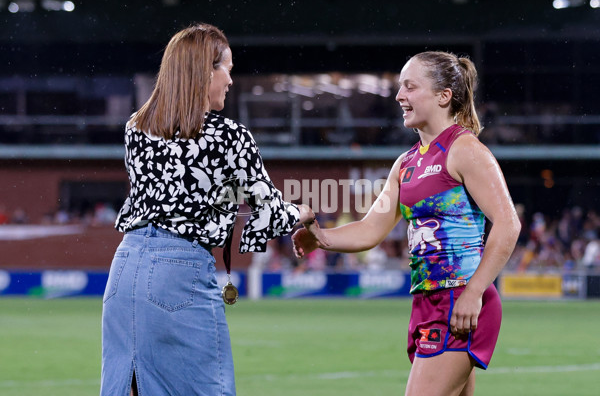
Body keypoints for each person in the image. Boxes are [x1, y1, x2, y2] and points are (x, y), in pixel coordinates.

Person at [101, 23, 322, 396]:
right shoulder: (230, 136)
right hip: (179, 273)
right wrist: (304, 212)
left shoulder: (135, 128)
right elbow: (269, 212)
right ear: (205, 70)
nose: (231, 81)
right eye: (227, 70)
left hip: (124, 271)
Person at [293, 51, 521, 396]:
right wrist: (321, 237)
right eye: (401, 87)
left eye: (410, 87)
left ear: (444, 96)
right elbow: (371, 229)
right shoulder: (406, 164)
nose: (400, 96)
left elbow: (508, 224)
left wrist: (474, 293)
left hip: (460, 299)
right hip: (427, 302)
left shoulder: (464, 150)